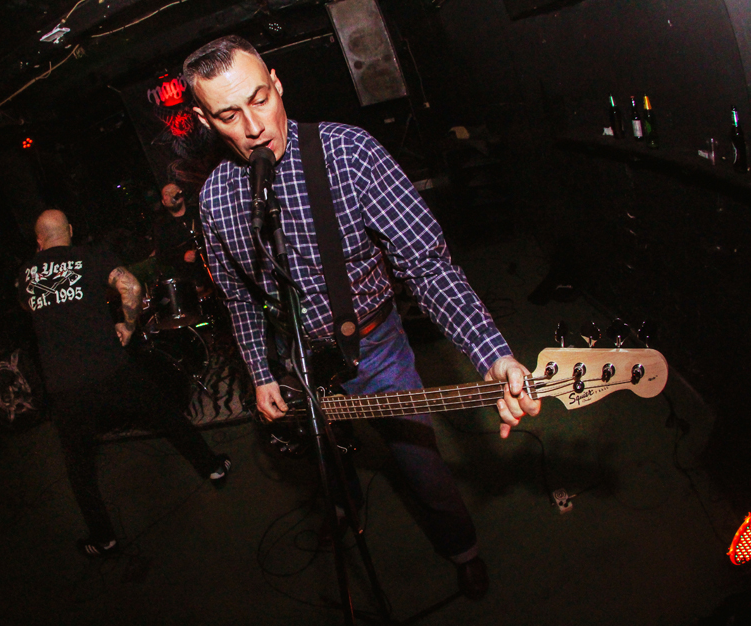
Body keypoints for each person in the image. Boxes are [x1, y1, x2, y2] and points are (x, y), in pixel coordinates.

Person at [183, 36, 540, 599]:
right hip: (296, 358)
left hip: (374, 346)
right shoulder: (214, 200)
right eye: (229, 115)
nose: (253, 127)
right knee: (324, 458)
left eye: (260, 99)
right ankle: (343, 508)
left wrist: (491, 354)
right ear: (206, 121)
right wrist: (261, 373)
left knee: (420, 462)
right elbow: (238, 297)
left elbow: (426, 264)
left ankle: (462, 549)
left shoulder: (349, 154)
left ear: (277, 83)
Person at [18, 209, 231, 557]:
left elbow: (30, 308)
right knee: (166, 415)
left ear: (39, 240)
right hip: (110, 368)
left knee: (79, 467)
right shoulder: (89, 256)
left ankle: (104, 538)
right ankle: (213, 467)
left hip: (64, 385)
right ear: (69, 229)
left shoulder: (26, 273)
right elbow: (131, 286)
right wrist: (128, 326)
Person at [152, 182, 211, 291]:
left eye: (173, 191)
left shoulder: (198, 211)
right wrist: (182, 256)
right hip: (190, 279)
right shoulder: (162, 226)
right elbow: (162, 255)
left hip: (214, 266)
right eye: (167, 193)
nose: (171, 194)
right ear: (163, 202)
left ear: (181, 194)